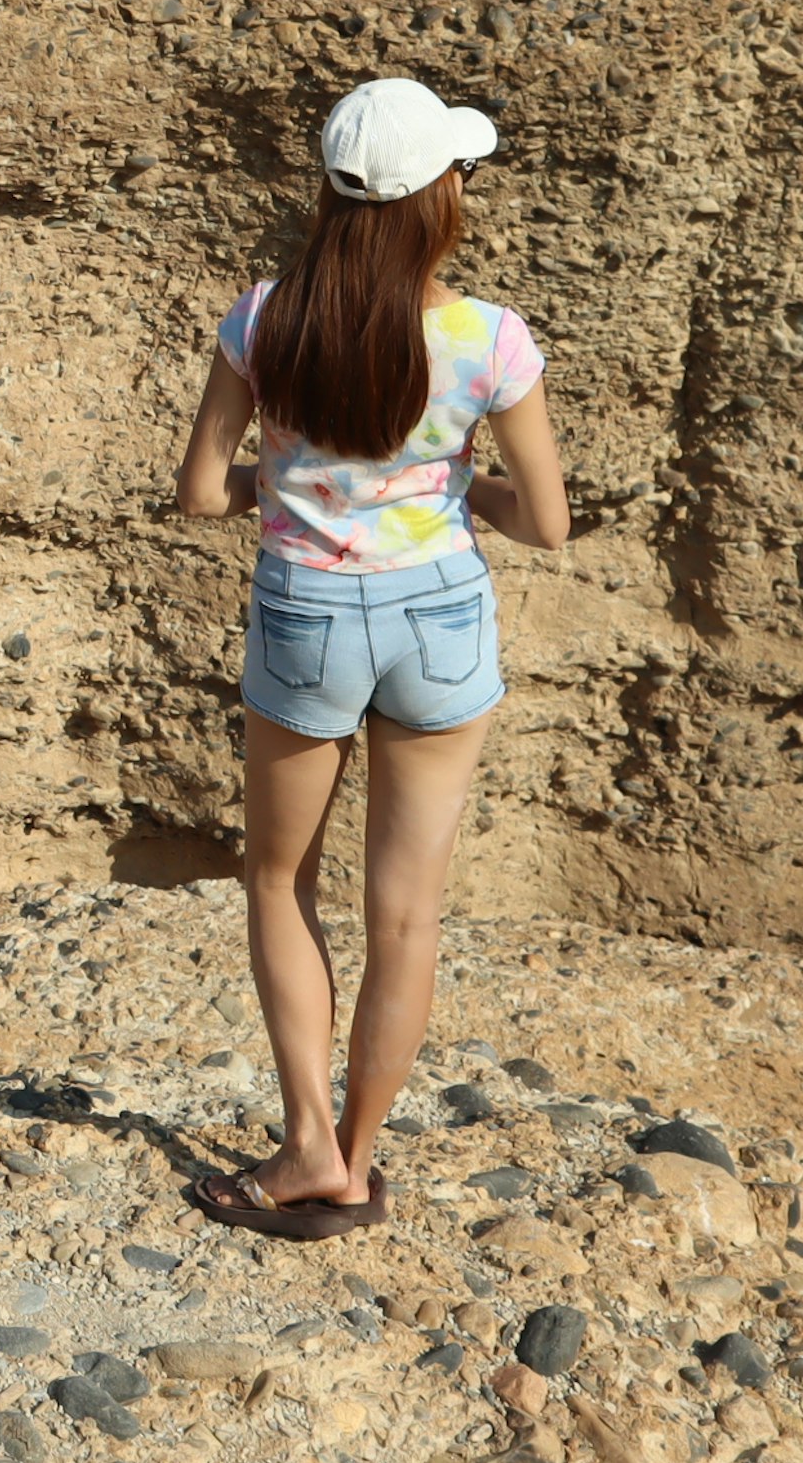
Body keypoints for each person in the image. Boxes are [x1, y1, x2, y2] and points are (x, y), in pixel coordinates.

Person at [170, 77, 569, 1239]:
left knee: (278, 878)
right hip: (439, 615)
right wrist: (456, 485)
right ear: (439, 194)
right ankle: (359, 1152)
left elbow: (200, 492)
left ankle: (306, 1153)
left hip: (306, 613)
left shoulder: (263, 319)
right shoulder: (488, 337)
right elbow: (544, 521)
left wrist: (279, 483)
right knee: (406, 913)